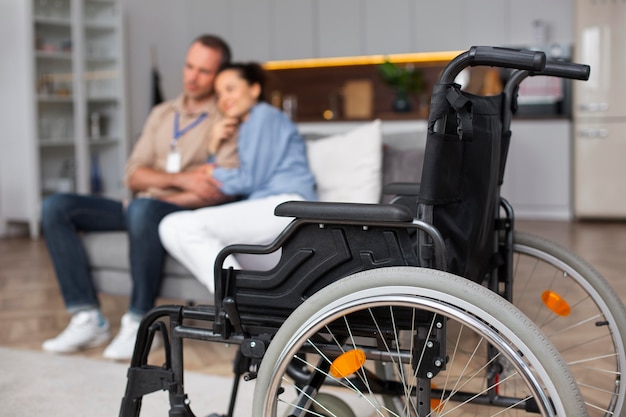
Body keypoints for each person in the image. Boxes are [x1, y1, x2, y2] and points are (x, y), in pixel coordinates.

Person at [41, 34, 235, 360]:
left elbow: (216, 187)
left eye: (203, 71)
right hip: (140, 205)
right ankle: (88, 317)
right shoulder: (162, 113)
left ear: (219, 75)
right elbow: (133, 172)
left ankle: (138, 319)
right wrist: (184, 178)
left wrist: (162, 189)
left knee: (143, 209)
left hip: (174, 210)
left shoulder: (225, 119)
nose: (192, 76)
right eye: (189, 66)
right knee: (55, 207)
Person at [158, 62, 317, 292]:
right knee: (178, 231)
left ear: (254, 90)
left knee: (177, 225)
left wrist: (211, 170)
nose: (224, 98)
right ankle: (243, 307)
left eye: (230, 89)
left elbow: (249, 179)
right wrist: (214, 146)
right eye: (220, 93)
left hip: (286, 206)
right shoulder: (244, 126)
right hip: (274, 212)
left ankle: (236, 308)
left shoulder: (263, 116)